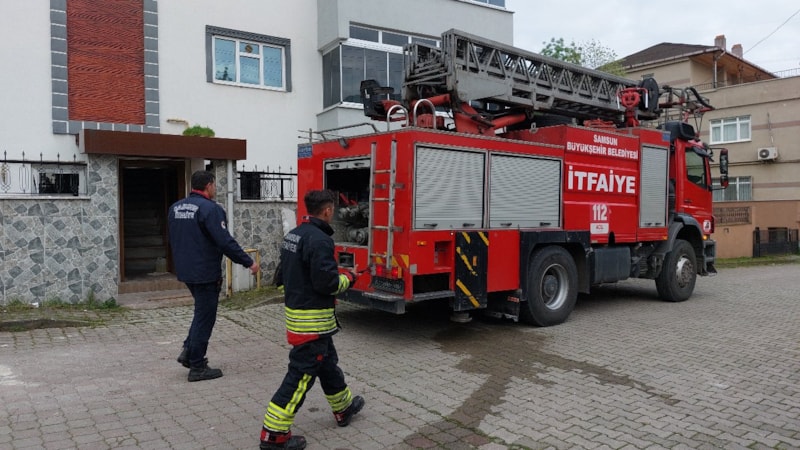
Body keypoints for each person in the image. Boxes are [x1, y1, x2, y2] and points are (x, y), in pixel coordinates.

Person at [259, 189, 364, 450]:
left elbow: (284, 275)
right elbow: (326, 283)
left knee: (328, 364)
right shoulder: (320, 240)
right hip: (312, 324)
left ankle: (344, 408)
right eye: (333, 210)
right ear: (328, 211)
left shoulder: (293, 235)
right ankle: (274, 434)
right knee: (300, 377)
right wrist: (349, 278)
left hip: (302, 318)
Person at [168, 170, 259, 382]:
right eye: (215, 185)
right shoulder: (210, 209)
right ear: (208, 185)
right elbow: (224, 241)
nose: (216, 189)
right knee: (205, 317)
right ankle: (197, 366)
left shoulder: (175, 208)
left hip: (186, 271)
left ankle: (188, 352)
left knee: (201, 313)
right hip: (205, 272)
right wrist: (249, 262)